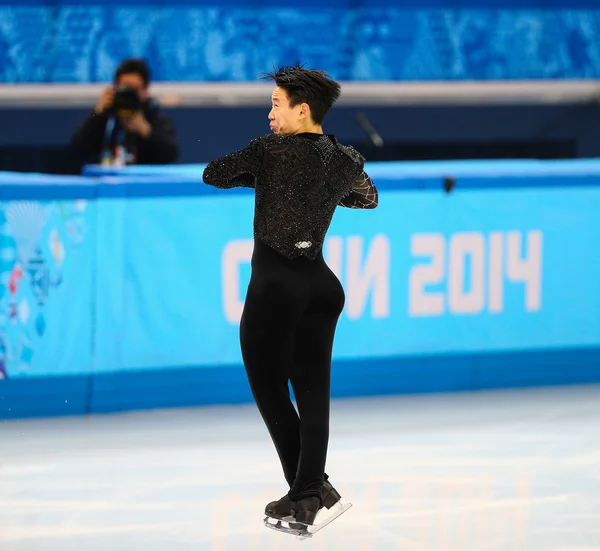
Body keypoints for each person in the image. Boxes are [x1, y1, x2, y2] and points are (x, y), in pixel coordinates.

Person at [202, 63, 378, 529]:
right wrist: (313, 185)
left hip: (275, 286)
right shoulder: (345, 158)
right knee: (313, 392)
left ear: (302, 110)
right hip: (321, 287)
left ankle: (311, 490)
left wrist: (263, 173)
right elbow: (367, 198)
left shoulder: (269, 151)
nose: (269, 113)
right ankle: (308, 495)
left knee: (269, 389)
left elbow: (214, 173)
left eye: (276, 104)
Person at [70, 58, 179, 166]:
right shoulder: (105, 116)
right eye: (124, 87)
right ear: (114, 88)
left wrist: (145, 130)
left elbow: (170, 154)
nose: (129, 93)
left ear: (146, 90)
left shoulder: (155, 118)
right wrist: (98, 113)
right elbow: (76, 149)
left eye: (134, 89)